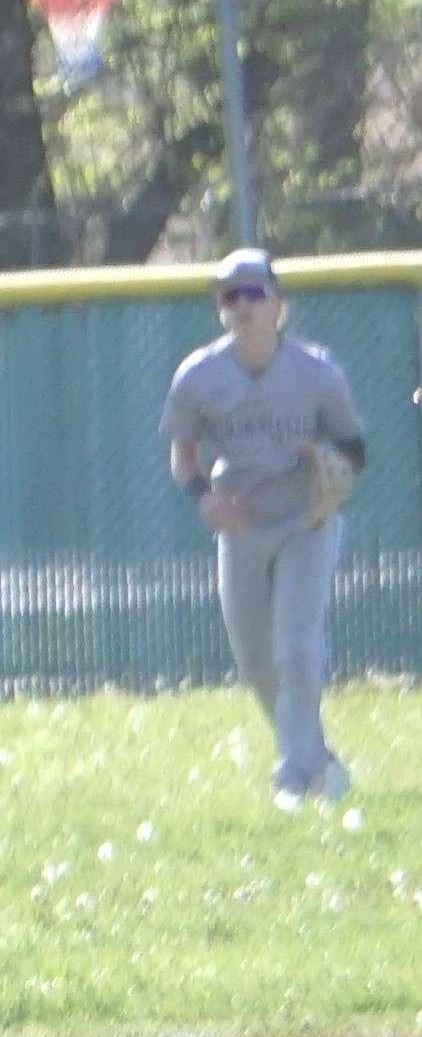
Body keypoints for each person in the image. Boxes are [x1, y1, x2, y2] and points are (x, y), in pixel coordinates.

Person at [161, 248, 365, 805]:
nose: (242, 305)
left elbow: (354, 447)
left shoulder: (317, 371)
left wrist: (328, 464)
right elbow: (183, 457)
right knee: (254, 658)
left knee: (296, 646)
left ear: (279, 305)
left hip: (306, 519)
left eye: (254, 293)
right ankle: (318, 760)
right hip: (241, 523)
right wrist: (204, 498)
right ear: (220, 309)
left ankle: (293, 777)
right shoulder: (198, 375)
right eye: (230, 295)